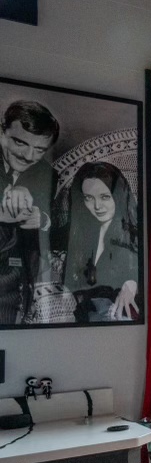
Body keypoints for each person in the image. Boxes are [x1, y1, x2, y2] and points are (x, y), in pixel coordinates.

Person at [0, 100, 61, 324]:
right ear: (2, 132)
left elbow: (61, 224)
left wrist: (41, 219)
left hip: (21, 288)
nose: (28, 156)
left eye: (39, 150)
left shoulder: (48, 174)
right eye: (20, 142)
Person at [63, 161, 140, 322]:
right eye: (89, 198)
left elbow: (146, 271)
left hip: (119, 323)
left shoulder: (134, 235)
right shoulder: (82, 233)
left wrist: (134, 282)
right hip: (83, 322)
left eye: (105, 197)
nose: (97, 206)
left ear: (118, 196)